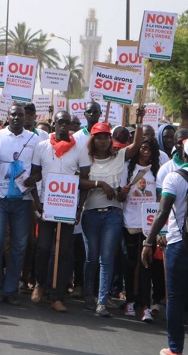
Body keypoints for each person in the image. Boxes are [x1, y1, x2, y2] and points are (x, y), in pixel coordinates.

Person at [80, 110, 144, 317]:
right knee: (91, 257)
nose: (102, 140)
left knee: (106, 258)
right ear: (92, 139)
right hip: (90, 213)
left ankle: (101, 301)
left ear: (110, 139)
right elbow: (79, 182)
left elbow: (136, 145)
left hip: (113, 214)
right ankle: (88, 294)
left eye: (106, 137)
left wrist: (139, 122)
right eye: (98, 137)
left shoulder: (120, 156)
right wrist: (100, 184)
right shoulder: (86, 159)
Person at [26, 111, 90, 312]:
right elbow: (35, 176)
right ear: (54, 124)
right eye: (60, 122)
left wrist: (79, 208)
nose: (64, 126)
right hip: (47, 205)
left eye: (67, 123)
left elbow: (85, 182)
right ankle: (39, 284)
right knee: (43, 247)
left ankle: (57, 295)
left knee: (63, 252)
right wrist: (36, 202)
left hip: (68, 208)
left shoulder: (80, 149)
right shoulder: (42, 147)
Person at [142, 136, 188, 355]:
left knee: (174, 297)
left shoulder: (174, 177)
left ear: (183, 153)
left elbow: (163, 212)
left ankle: (175, 349)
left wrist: (148, 241)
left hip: (178, 243)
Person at [0, 103, 40, 305]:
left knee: (19, 245)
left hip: (23, 200)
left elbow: (39, 169)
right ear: (7, 116)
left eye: (20, 115)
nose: (17, 118)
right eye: (13, 114)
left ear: (27, 118)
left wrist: (34, 178)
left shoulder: (35, 139)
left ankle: (10, 290)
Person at [118, 137, 160, 322]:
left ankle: (145, 305)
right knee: (130, 263)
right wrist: (123, 192)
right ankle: (129, 301)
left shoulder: (156, 172)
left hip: (149, 227)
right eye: (142, 148)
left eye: (149, 149)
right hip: (130, 223)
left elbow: (160, 199)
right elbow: (119, 196)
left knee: (146, 265)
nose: (145, 152)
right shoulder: (128, 169)